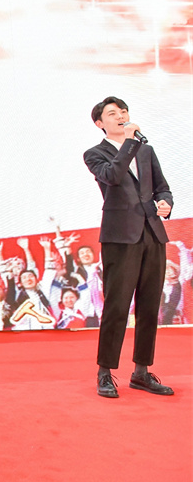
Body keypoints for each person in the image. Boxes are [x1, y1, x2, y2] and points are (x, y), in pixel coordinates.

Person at [84, 96, 174, 398]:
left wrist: (166, 203)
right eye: (113, 113)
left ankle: (141, 372)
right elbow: (112, 176)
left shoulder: (146, 151)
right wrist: (130, 143)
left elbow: (162, 187)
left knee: (149, 306)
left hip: (153, 234)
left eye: (123, 111)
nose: (121, 116)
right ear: (100, 122)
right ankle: (105, 372)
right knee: (117, 306)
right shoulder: (95, 153)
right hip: (120, 238)